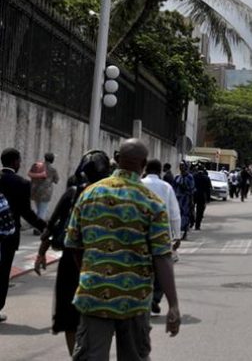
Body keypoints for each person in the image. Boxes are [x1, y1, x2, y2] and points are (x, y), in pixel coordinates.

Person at [65, 139, 180, 360]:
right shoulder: (152, 202)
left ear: (116, 159)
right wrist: (173, 304)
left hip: (93, 295)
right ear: (144, 164)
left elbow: (73, 245)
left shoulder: (89, 194)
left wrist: (90, 274)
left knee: (91, 356)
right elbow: (162, 257)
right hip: (134, 299)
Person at [34, 150, 111, 355]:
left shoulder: (74, 192)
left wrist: (41, 253)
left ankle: (75, 356)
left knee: (70, 316)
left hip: (71, 259)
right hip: (102, 261)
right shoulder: (113, 195)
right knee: (98, 316)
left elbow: (52, 225)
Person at [0, 148, 47, 323]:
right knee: (3, 272)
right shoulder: (21, 183)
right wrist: (45, 227)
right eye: (19, 161)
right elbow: (26, 213)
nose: (20, 164)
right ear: (14, 162)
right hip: (9, 236)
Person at [141, 159, 181, 315]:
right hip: (161, 234)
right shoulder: (166, 187)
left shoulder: (139, 184)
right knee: (161, 269)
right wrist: (177, 236)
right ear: (160, 171)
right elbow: (174, 213)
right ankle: (155, 299)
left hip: (140, 234)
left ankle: (144, 299)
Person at [28, 152, 60, 234]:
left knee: (39, 210)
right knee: (42, 211)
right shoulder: (52, 169)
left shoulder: (36, 165)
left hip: (35, 191)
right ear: (52, 160)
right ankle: (38, 229)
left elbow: (30, 174)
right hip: (46, 193)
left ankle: (37, 227)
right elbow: (56, 180)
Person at [174, 161, 195, 240]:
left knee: (186, 216)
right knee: (177, 215)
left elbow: (192, 189)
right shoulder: (177, 177)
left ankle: (185, 233)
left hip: (186, 199)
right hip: (177, 198)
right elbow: (173, 188)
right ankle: (177, 234)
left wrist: (191, 200)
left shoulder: (189, 177)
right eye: (180, 165)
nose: (181, 167)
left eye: (182, 165)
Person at [193, 166, 212, 231]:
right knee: (200, 211)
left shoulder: (193, 176)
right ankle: (197, 226)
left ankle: (191, 221)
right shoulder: (206, 178)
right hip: (202, 196)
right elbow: (208, 189)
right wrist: (208, 199)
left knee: (191, 208)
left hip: (194, 195)